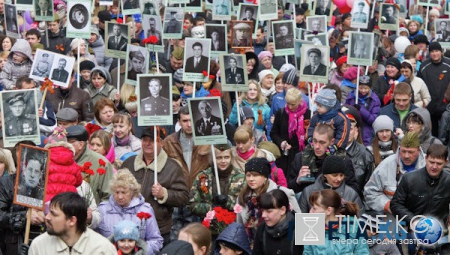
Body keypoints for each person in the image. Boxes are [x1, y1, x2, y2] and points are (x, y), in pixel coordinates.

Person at [121, 127, 189, 246]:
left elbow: (183, 197)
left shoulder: (172, 167)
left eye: (152, 140)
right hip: (128, 226)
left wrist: (165, 194)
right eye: (145, 140)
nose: (147, 143)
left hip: (159, 229)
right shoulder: (129, 163)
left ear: (161, 143)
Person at [391, 144, 450, 254]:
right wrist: (414, 220)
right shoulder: (410, 179)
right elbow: (395, 205)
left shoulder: (448, 181)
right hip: (411, 232)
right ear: (426, 158)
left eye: (439, 163)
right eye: (432, 162)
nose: (434, 166)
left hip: (439, 235)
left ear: (445, 162)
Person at [96, 169, 163, 254]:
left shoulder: (145, 209)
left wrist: (140, 252)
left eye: (124, 192)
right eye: (117, 192)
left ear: (132, 192)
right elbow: (94, 239)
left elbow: (156, 240)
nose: (120, 196)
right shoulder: (103, 209)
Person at [236, 158, 300, 247]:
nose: (251, 179)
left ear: (265, 176)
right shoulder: (243, 197)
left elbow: (299, 222)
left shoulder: (283, 193)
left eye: (256, 175)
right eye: (248, 175)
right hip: (251, 246)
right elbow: (240, 226)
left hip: (280, 243)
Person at [27, 192, 117, 254]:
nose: (47, 217)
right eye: (49, 212)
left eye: (54, 214)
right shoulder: (39, 245)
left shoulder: (102, 249)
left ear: (72, 221)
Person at [364, 132, 425, 216]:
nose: (406, 156)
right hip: (393, 218)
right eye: (403, 151)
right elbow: (370, 192)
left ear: (418, 150)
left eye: (410, 152)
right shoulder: (385, 166)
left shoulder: (430, 166)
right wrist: (388, 205)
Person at [288, 124, 359, 194]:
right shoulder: (301, 158)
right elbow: (288, 189)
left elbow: (353, 190)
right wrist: (297, 181)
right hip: (305, 201)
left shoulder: (342, 160)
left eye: (322, 142)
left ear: (332, 142)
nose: (317, 146)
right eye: (314, 141)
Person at [304, 189, 369, 254]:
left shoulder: (354, 226)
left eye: (314, 208)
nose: (310, 212)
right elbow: (307, 252)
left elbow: (363, 252)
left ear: (329, 210)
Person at [189, 144, 245, 219]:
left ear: (231, 158)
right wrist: (211, 208)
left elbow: (245, 204)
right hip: (209, 224)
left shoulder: (240, 177)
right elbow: (192, 204)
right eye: (219, 158)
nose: (223, 161)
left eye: (226, 157)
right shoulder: (203, 176)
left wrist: (227, 201)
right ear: (213, 158)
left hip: (234, 223)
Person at [66, 125, 114, 204]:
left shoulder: (101, 163)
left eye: (69, 142)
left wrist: (94, 214)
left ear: (81, 145)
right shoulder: (59, 159)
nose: (65, 145)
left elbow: (108, 196)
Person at [299, 155, 363, 213]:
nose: (339, 179)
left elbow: (359, 221)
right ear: (325, 175)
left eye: (341, 175)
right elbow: (300, 221)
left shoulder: (351, 194)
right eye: (335, 175)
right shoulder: (308, 192)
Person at [271, 88, 309, 175]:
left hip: (301, 154)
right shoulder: (281, 113)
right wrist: (281, 142)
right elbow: (273, 133)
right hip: (284, 156)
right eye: (288, 103)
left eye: (293, 104)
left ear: (300, 101)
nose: (290, 107)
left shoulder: (307, 114)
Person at [253, 189, 303, 255]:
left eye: (269, 211)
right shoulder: (262, 229)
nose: (263, 215)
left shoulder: (302, 226)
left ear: (282, 210)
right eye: (262, 211)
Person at [418, 42, 450, 136]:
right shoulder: (424, 66)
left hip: (446, 107)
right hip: (430, 107)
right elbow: (420, 85)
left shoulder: (448, 64)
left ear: (441, 52)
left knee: (445, 134)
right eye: (432, 51)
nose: (435, 54)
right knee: (433, 134)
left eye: (437, 51)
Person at [345, 75, 381, 145]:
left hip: (366, 133)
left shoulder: (374, 100)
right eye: (361, 88)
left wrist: (361, 110)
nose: (363, 91)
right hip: (352, 130)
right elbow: (345, 111)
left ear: (370, 88)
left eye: (366, 88)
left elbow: (373, 120)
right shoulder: (352, 96)